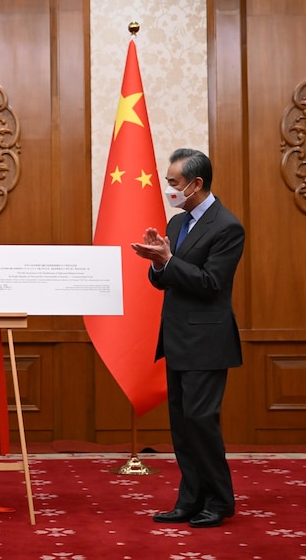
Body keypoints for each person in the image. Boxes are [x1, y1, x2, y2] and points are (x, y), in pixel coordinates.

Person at [130, 148, 245, 529]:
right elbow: (166, 280)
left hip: (208, 344)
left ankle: (219, 501)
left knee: (201, 421)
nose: (170, 190)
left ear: (196, 184)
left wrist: (169, 261)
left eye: (174, 184)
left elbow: (212, 284)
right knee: (181, 424)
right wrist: (156, 261)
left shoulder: (228, 226)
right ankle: (190, 499)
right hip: (177, 339)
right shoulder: (177, 224)